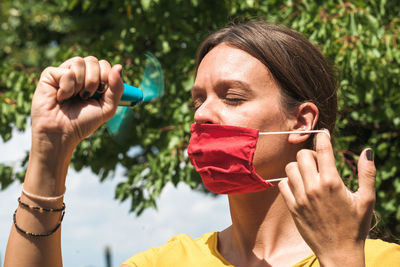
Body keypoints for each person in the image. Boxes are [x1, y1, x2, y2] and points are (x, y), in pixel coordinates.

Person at [4, 20, 400, 267]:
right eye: (198, 99)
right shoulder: (162, 263)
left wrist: (342, 259)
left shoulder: (382, 261)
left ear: (301, 122)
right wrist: (49, 150)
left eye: (232, 97)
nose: (200, 115)